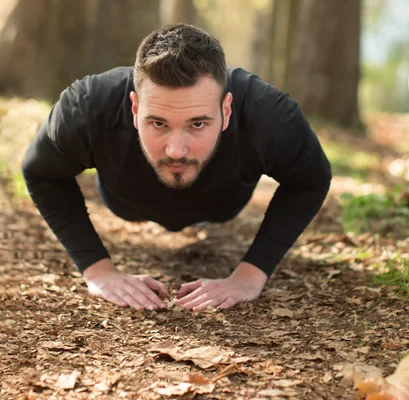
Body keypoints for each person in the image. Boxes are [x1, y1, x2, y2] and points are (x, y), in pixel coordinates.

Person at [22, 23, 332, 312]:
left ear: (226, 110)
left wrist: (250, 275)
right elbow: (41, 172)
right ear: (134, 108)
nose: (176, 150)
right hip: (125, 201)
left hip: (224, 203)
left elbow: (311, 180)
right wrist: (97, 270)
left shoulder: (269, 115)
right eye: (158, 123)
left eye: (197, 123)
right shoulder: (88, 106)